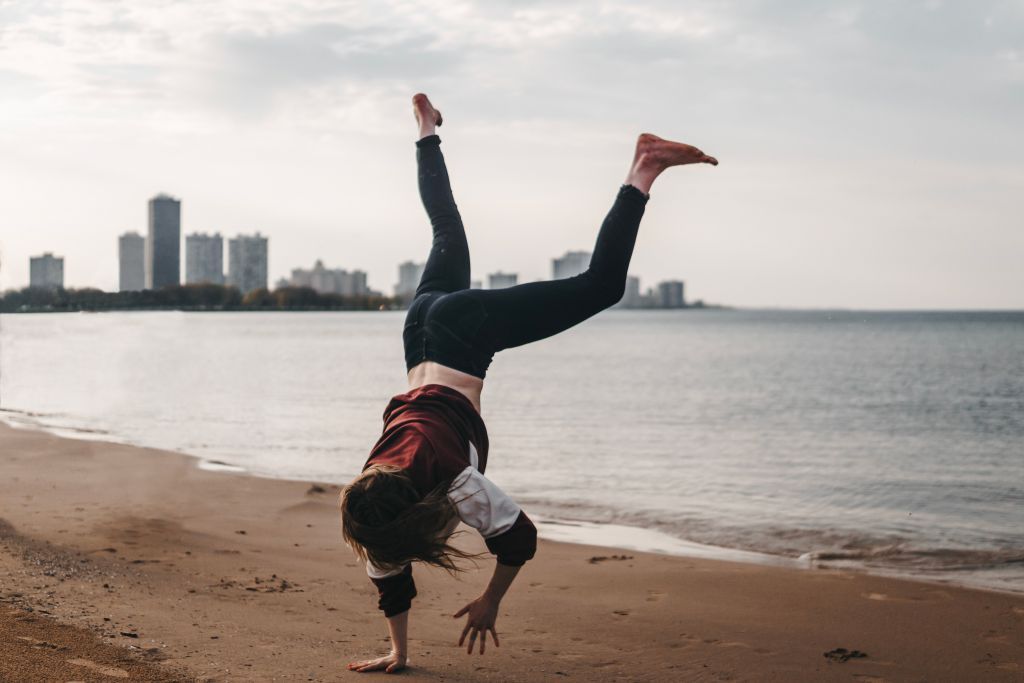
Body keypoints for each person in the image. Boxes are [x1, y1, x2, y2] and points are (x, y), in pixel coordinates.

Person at [342, 93, 717, 674]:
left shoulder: (454, 480)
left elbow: (519, 538)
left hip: (462, 336)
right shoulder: (371, 493)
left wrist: (490, 601)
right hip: (418, 327)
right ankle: (424, 129)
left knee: (600, 287)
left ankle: (644, 166)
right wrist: (399, 653)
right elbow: (387, 572)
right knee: (445, 225)